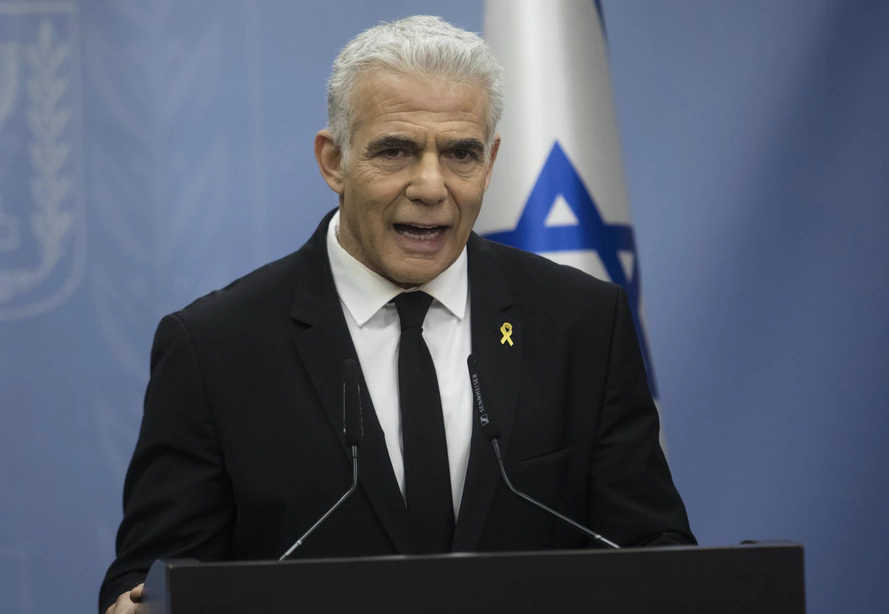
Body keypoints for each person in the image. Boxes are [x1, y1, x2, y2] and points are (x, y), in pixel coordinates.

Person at [100, 15, 694, 614]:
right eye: (396, 151)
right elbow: (155, 576)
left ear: (490, 163)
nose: (431, 187)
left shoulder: (581, 323)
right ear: (333, 161)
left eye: (460, 154)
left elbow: (652, 549)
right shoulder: (215, 348)